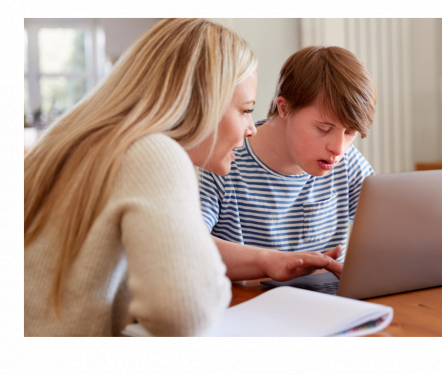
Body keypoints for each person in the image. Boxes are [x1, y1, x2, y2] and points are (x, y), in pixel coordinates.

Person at [25, 19, 341, 337]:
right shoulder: (152, 154)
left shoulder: (81, 144)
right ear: (201, 101)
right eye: (245, 110)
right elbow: (187, 311)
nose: (251, 128)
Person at [199, 46, 376, 267]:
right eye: (324, 128)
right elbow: (189, 243)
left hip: (327, 298)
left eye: (349, 133)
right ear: (285, 108)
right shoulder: (222, 160)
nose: (339, 149)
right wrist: (268, 261)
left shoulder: (349, 164)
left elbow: (389, 234)